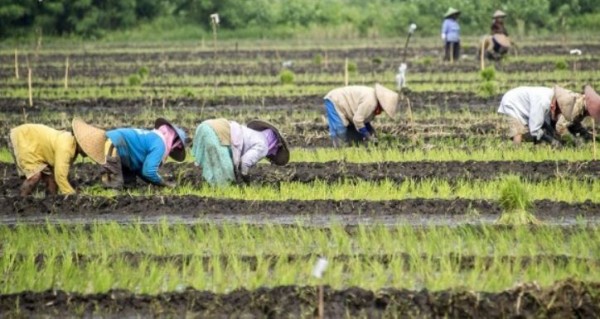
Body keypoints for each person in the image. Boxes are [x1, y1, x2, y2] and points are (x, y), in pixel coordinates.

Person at [72, 117, 187, 188]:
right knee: (114, 185)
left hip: (120, 149)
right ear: (174, 141)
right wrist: (163, 183)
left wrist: (158, 183)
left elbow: (141, 170)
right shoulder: (160, 144)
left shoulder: (152, 137)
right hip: (116, 146)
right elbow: (149, 171)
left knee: (130, 185)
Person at [191, 119, 289, 186]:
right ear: (276, 144)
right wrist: (245, 179)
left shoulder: (253, 134)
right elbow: (245, 162)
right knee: (227, 181)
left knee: (211, 167)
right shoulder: (263, 145)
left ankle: (200, 186)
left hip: (205, 126)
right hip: (217, 133)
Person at [497, 86, 600, 146]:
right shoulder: (542, 103)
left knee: (545, 129)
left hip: (528, 104)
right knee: (518, 131)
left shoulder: (563, 100)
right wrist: (553, 141)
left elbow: (549, 125)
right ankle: (515, 157)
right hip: (513, 101)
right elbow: (535, 129)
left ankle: (534, 150)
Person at [8, 124, 81, 196]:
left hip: (39, 147)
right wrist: (71, 194)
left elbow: (59, 172)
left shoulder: (72, 145)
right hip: (25, 138)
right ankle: (20, 201)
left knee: (51, 178)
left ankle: (51, 202)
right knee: (34, 176)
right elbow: (60, 176)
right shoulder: (66, 147)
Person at [324, 84, 399, 147]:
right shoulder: (371, 103)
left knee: (355, 136)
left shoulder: (373, 101)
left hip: (347, 106)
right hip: (336, 100)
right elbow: (358, 120)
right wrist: (367, 135)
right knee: (340, 131)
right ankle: (339, 152)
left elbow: (364, 118)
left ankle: (348, 148)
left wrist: (370, 131)